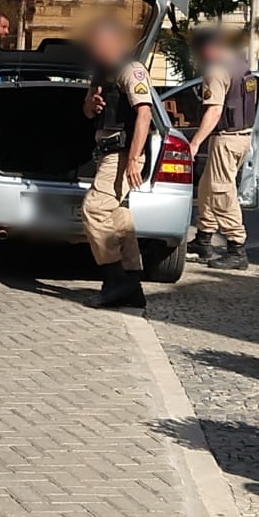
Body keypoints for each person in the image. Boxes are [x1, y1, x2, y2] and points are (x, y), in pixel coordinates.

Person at [80, 16, 154, 309]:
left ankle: (115, 281)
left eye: (96, 43)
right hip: (106, 153)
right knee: (119, 217)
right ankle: (133, 286)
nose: (92, 48)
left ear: (112, 42)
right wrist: (91, 105)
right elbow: (87, 111)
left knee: (94, 210)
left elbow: (144, 114)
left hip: (122, 154)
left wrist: (134, 159)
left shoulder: (131, 70)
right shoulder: (101, 72)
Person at [185, 29, 258, 271]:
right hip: (242, 137)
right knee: (208, 186)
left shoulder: (216, 70)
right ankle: (204, 238)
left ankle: (237, 247)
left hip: (226, 139)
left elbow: (214, 111)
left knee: (221, 191)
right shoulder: (239, 65)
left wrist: (194, 143)